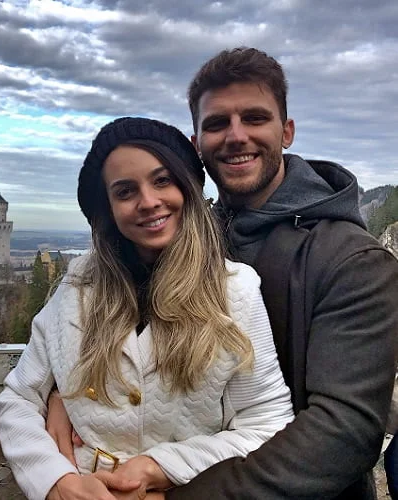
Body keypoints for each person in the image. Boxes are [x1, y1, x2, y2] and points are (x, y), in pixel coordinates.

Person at [46, 48, 398, 499]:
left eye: (254, 118)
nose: (235, 136)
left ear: (286, 131)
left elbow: (343, 432)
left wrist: (178, 492)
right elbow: (116, 319)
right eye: (216, 124)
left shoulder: (350, 260)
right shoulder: (183, 238)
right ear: (197, 143)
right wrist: (71, 392)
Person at [0, 116, 294, 500]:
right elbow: (20, 399)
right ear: (108, 208)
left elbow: (267, 422)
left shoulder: (234, 291)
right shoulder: (77, 288)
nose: (148, 202)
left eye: (162, 180)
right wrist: (57, 484)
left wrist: (160, 467)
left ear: (186, 187)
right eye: (125, 191)